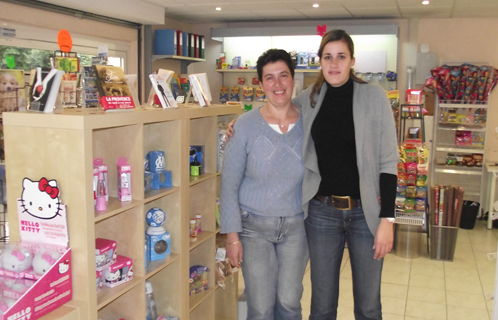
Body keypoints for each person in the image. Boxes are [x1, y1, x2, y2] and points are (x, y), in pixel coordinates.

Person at [227, 30, 399, 320]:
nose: (334, 64)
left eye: (341, 57)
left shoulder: (374, 98)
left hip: (365, 215)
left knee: (369, 305)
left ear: (352, 60)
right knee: (321, 305)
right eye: (327, 57)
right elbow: (276, 106)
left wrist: (388, 220)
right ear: (319, 61)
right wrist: (239, 123)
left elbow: (388, 162)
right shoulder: (311, 99)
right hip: (321, 213)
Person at [219, 49, 309, 320]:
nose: (278, 84)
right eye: (269, 78)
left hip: (297, 227)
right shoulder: (244, 125)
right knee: (260, 307)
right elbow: (229, 185)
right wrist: (232, 237)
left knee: (290, 304)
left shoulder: (310, 123)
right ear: (260, 83)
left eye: (284, 76)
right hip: (253, 229)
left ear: (294, 79)